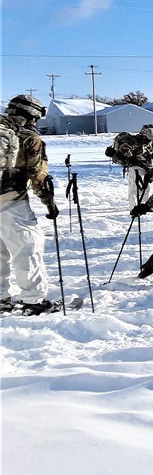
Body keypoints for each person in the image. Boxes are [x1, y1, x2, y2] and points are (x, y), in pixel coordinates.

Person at [0, 95, 58, 314]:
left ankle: (1, 299)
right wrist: (49, 203)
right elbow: (37, 176)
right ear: (31, 115)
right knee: (28, 248)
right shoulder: (28, 137)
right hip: (11, 201)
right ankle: (33, 300)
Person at [105, 124, 153, 207]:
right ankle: (133, 206)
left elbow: (147, 154)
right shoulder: (131, 142)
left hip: (145, 167)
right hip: (135, 168)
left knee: (145, 187)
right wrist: (133, 159)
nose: (148, 142)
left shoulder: (146, 143)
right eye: (147, 140)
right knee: (134, 187)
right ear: (144, 136)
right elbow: (128, 155)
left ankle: (144, 204)